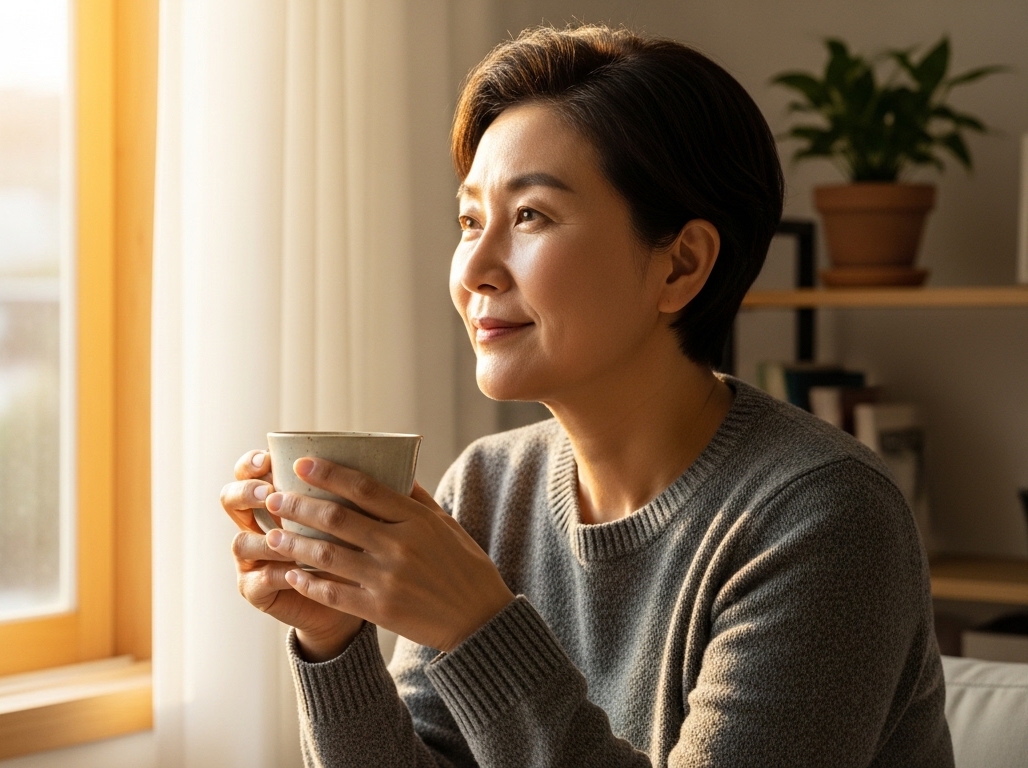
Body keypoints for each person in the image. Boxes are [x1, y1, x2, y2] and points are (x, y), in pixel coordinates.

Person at [219, 24, 952, 767]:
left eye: (530, 215)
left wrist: (481, 630)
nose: (474, 267)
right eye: (470, 220)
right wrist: (334, 638)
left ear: (681, 266)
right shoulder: (489, 488)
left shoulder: (824, 517)